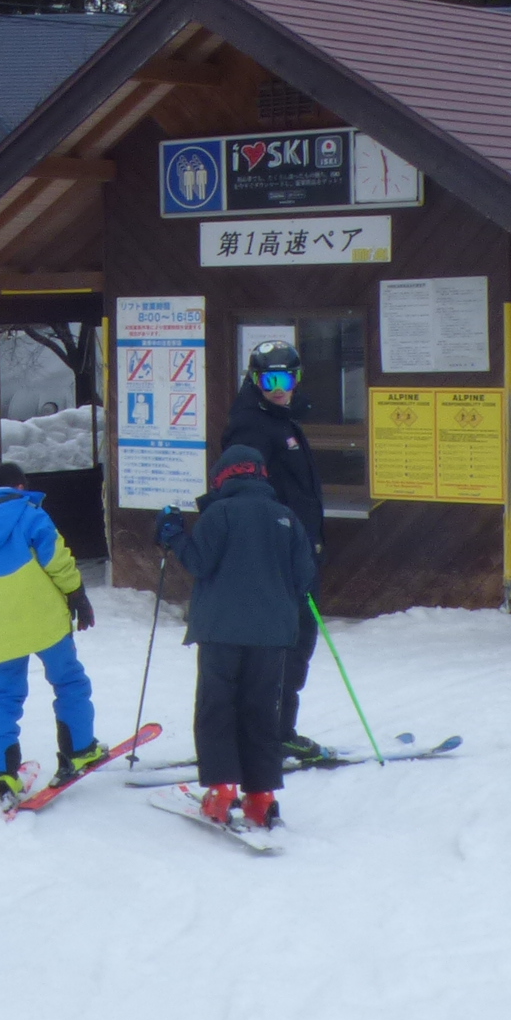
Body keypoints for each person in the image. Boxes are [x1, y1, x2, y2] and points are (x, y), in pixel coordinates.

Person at [157, 445, 319, 831]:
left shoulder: (219, 513)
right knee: (262, 712)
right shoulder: (286, 517)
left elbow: (198, 562)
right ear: (261, 476)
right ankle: (261, 798)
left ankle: (222, 791)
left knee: (217, 709)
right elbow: (304, 578)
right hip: (272, 635)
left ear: (221, 479)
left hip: (221, 631)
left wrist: (173, 534)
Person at [0, 458, 101, 804]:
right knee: (69, 680)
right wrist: (77, 593)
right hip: (42, 620)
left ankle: (1, 772)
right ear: (20, 487)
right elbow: (56, 559)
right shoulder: (30, 514)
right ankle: (80, 749)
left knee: (4, 697)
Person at [217, 339, 329, 761]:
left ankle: (273, 727)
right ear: (254, 380)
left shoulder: (280, 417)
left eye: (285, 378)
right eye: (269, 380)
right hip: (279, 557)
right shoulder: (252, 425)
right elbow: (244, 492)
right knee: (288, 642)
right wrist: (278, 541)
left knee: (296, 641)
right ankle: (271, 731)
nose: (278, 388)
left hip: (298, 550)